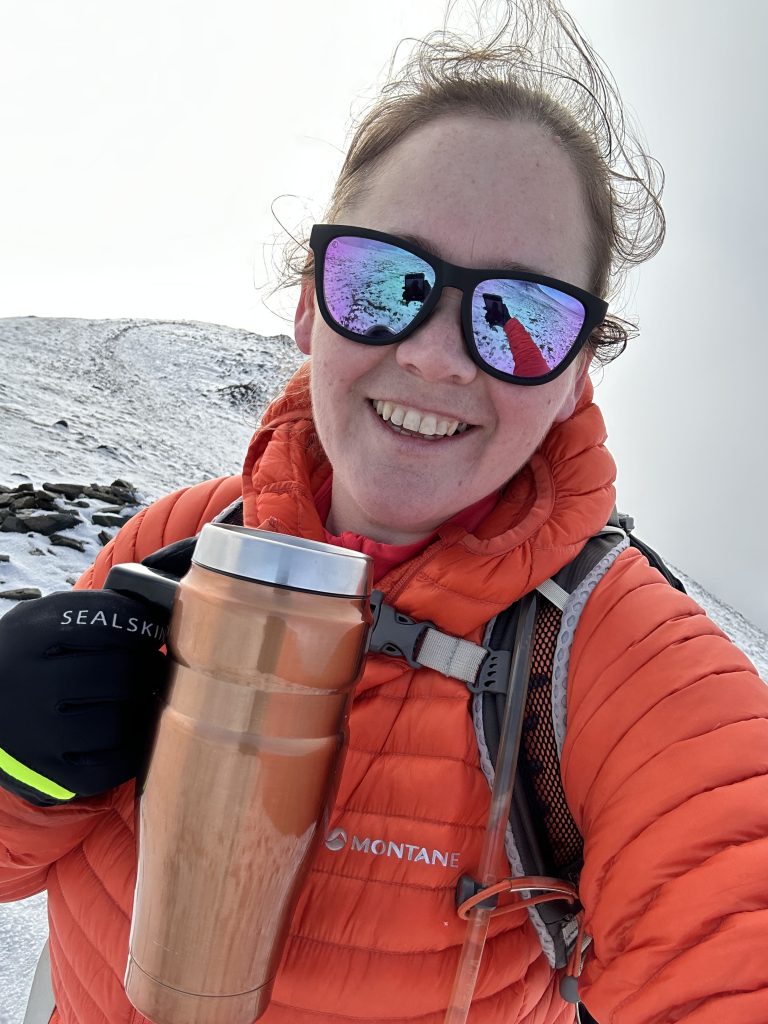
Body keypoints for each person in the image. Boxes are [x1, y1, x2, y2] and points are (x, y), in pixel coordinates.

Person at [2, 2, 768, 1022]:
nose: (436, 355)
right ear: (309, 302)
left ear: (576, 375)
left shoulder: (610, 664)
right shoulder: (176, 544)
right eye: (384, 281)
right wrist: (13, 759)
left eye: (522, 318)